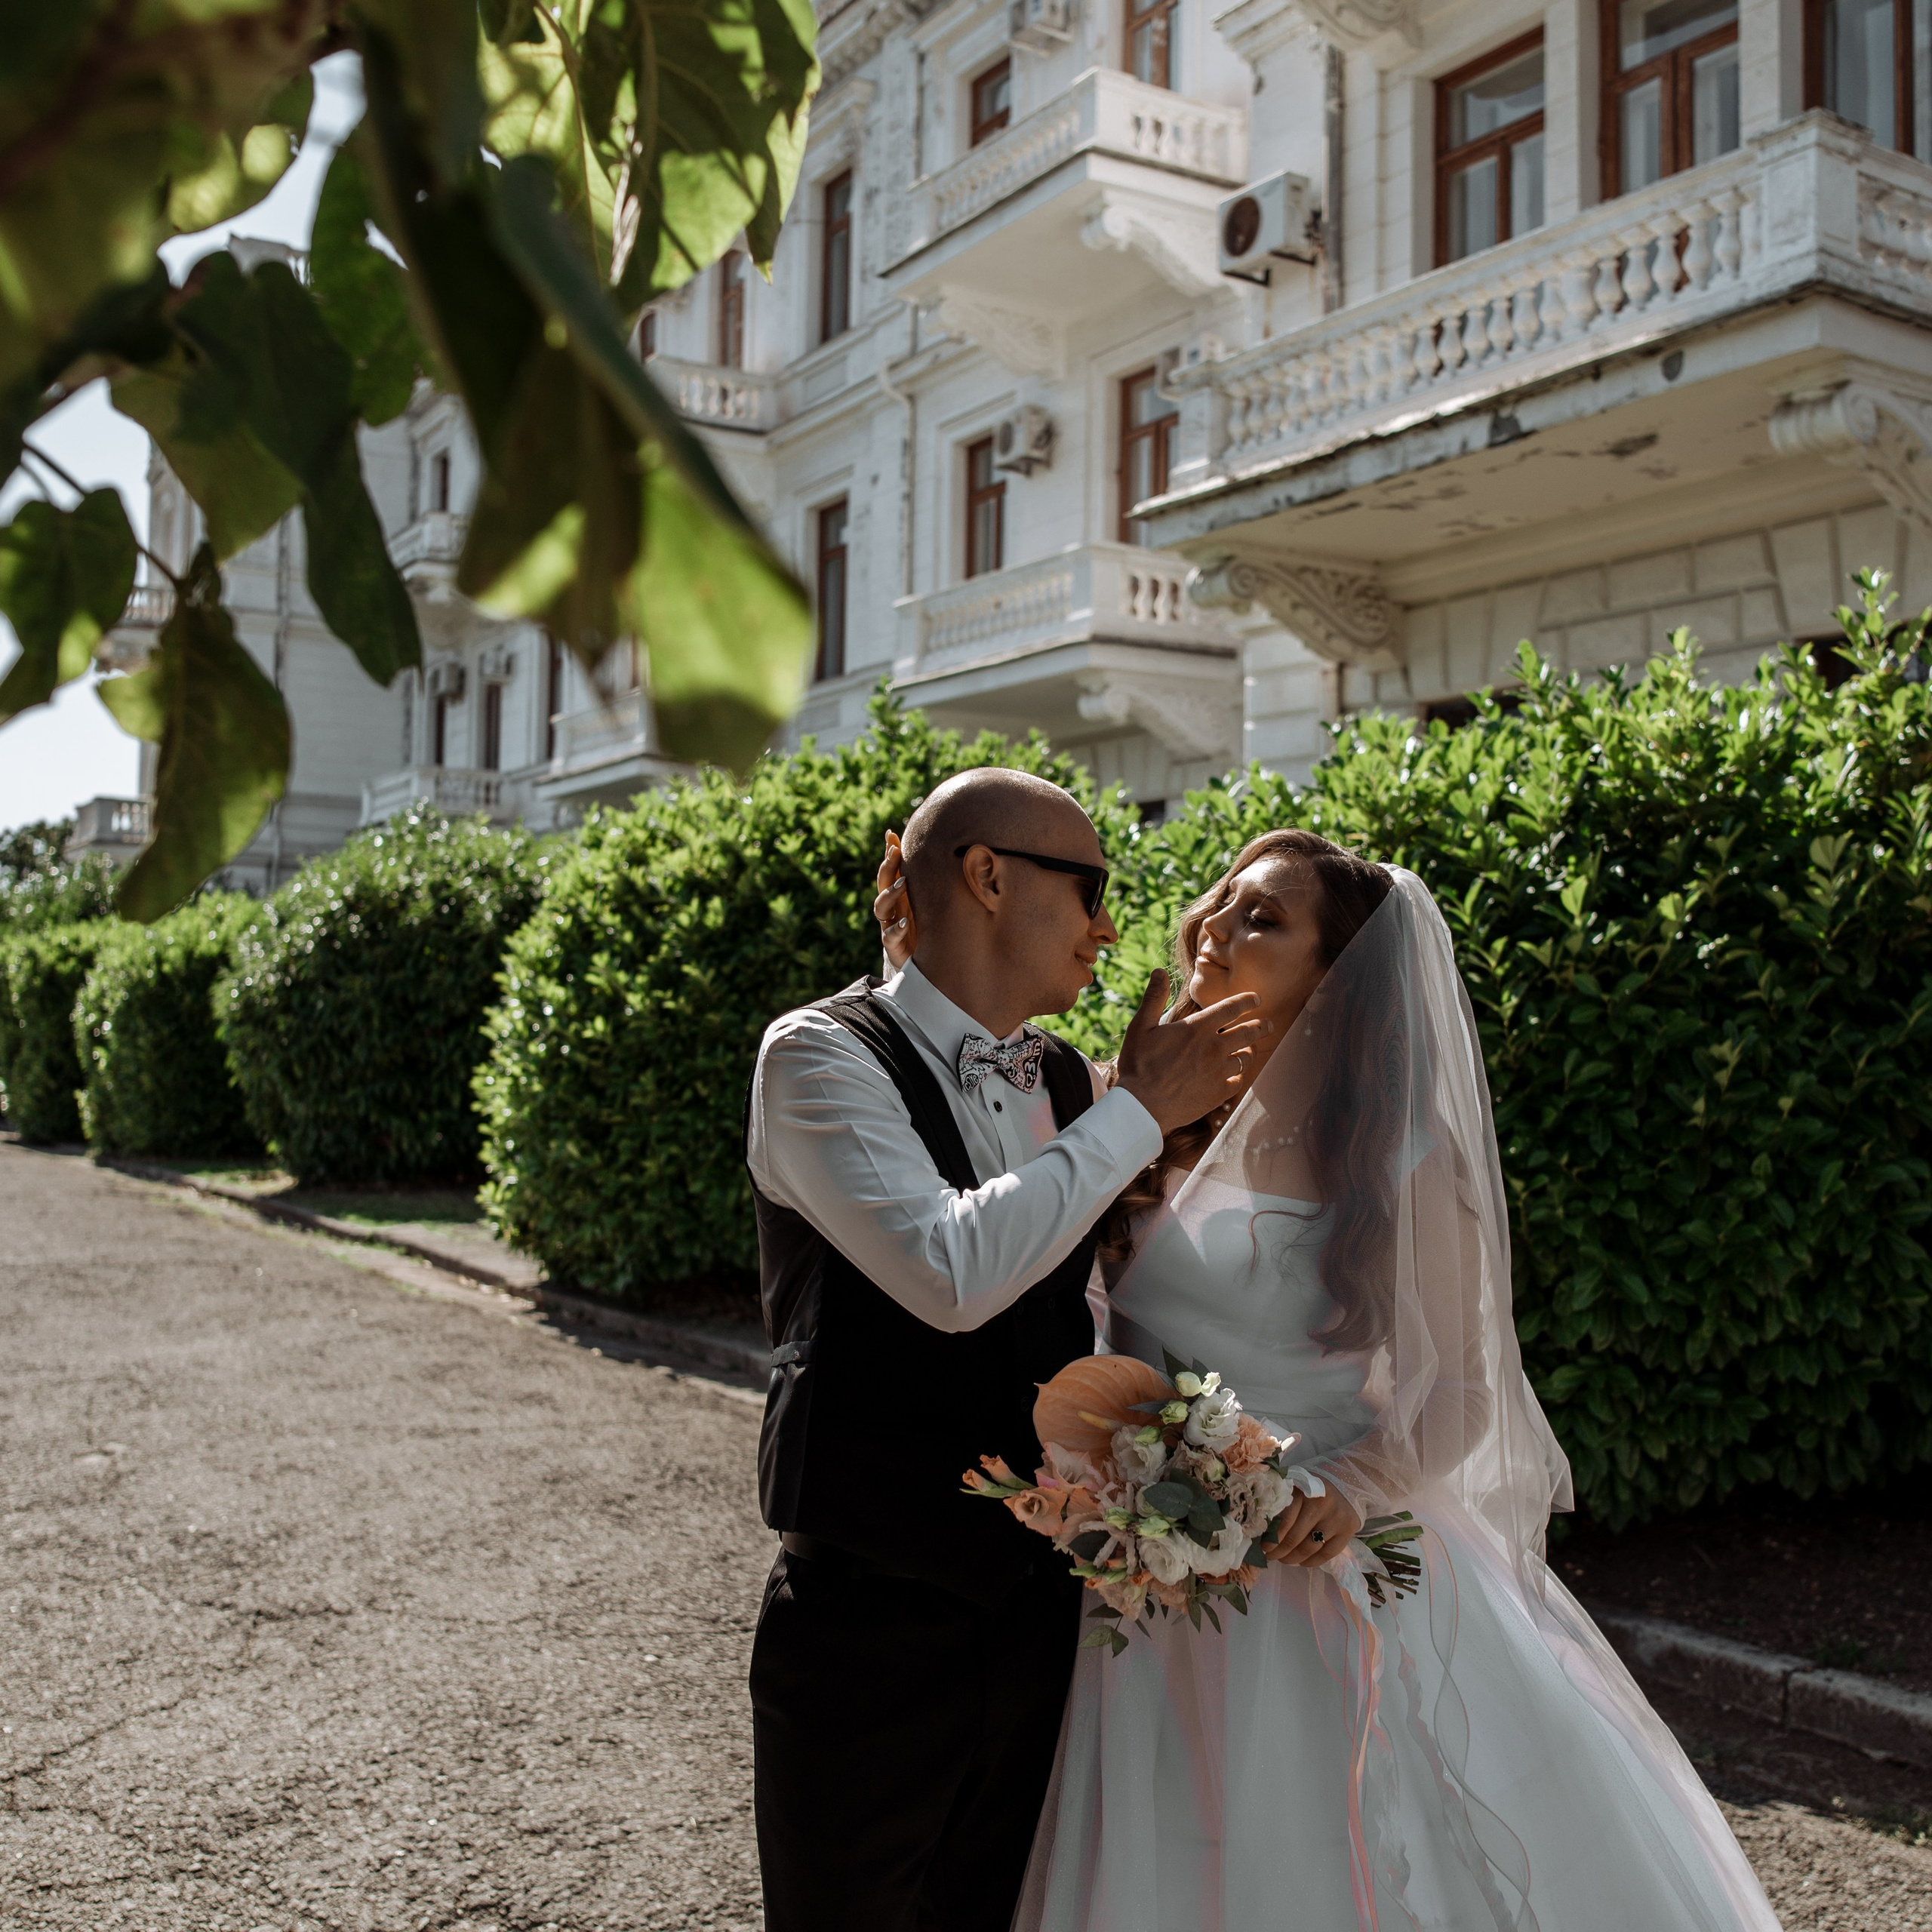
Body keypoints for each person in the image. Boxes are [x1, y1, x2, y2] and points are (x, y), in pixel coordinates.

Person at [881, 828, 1783, 1932]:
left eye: (1263, 918)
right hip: (1153, 1585)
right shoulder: (1135, 1111)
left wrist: (1347, 1488)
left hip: (1332, 1563)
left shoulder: (1401, 1160)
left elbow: (1463, 1394)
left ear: (1338, 975)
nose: (1214, 925)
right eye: (1221, 899)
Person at [743, 767, 1265, 1932]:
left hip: (1046, 1619)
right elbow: (949, 1272)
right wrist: (1138, 1112)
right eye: (1090, 888)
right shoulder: (818, 1058)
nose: (1109, 926)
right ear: (987, 877)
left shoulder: (1077, 1082)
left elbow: (1136, 1306)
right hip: (868, 1631)